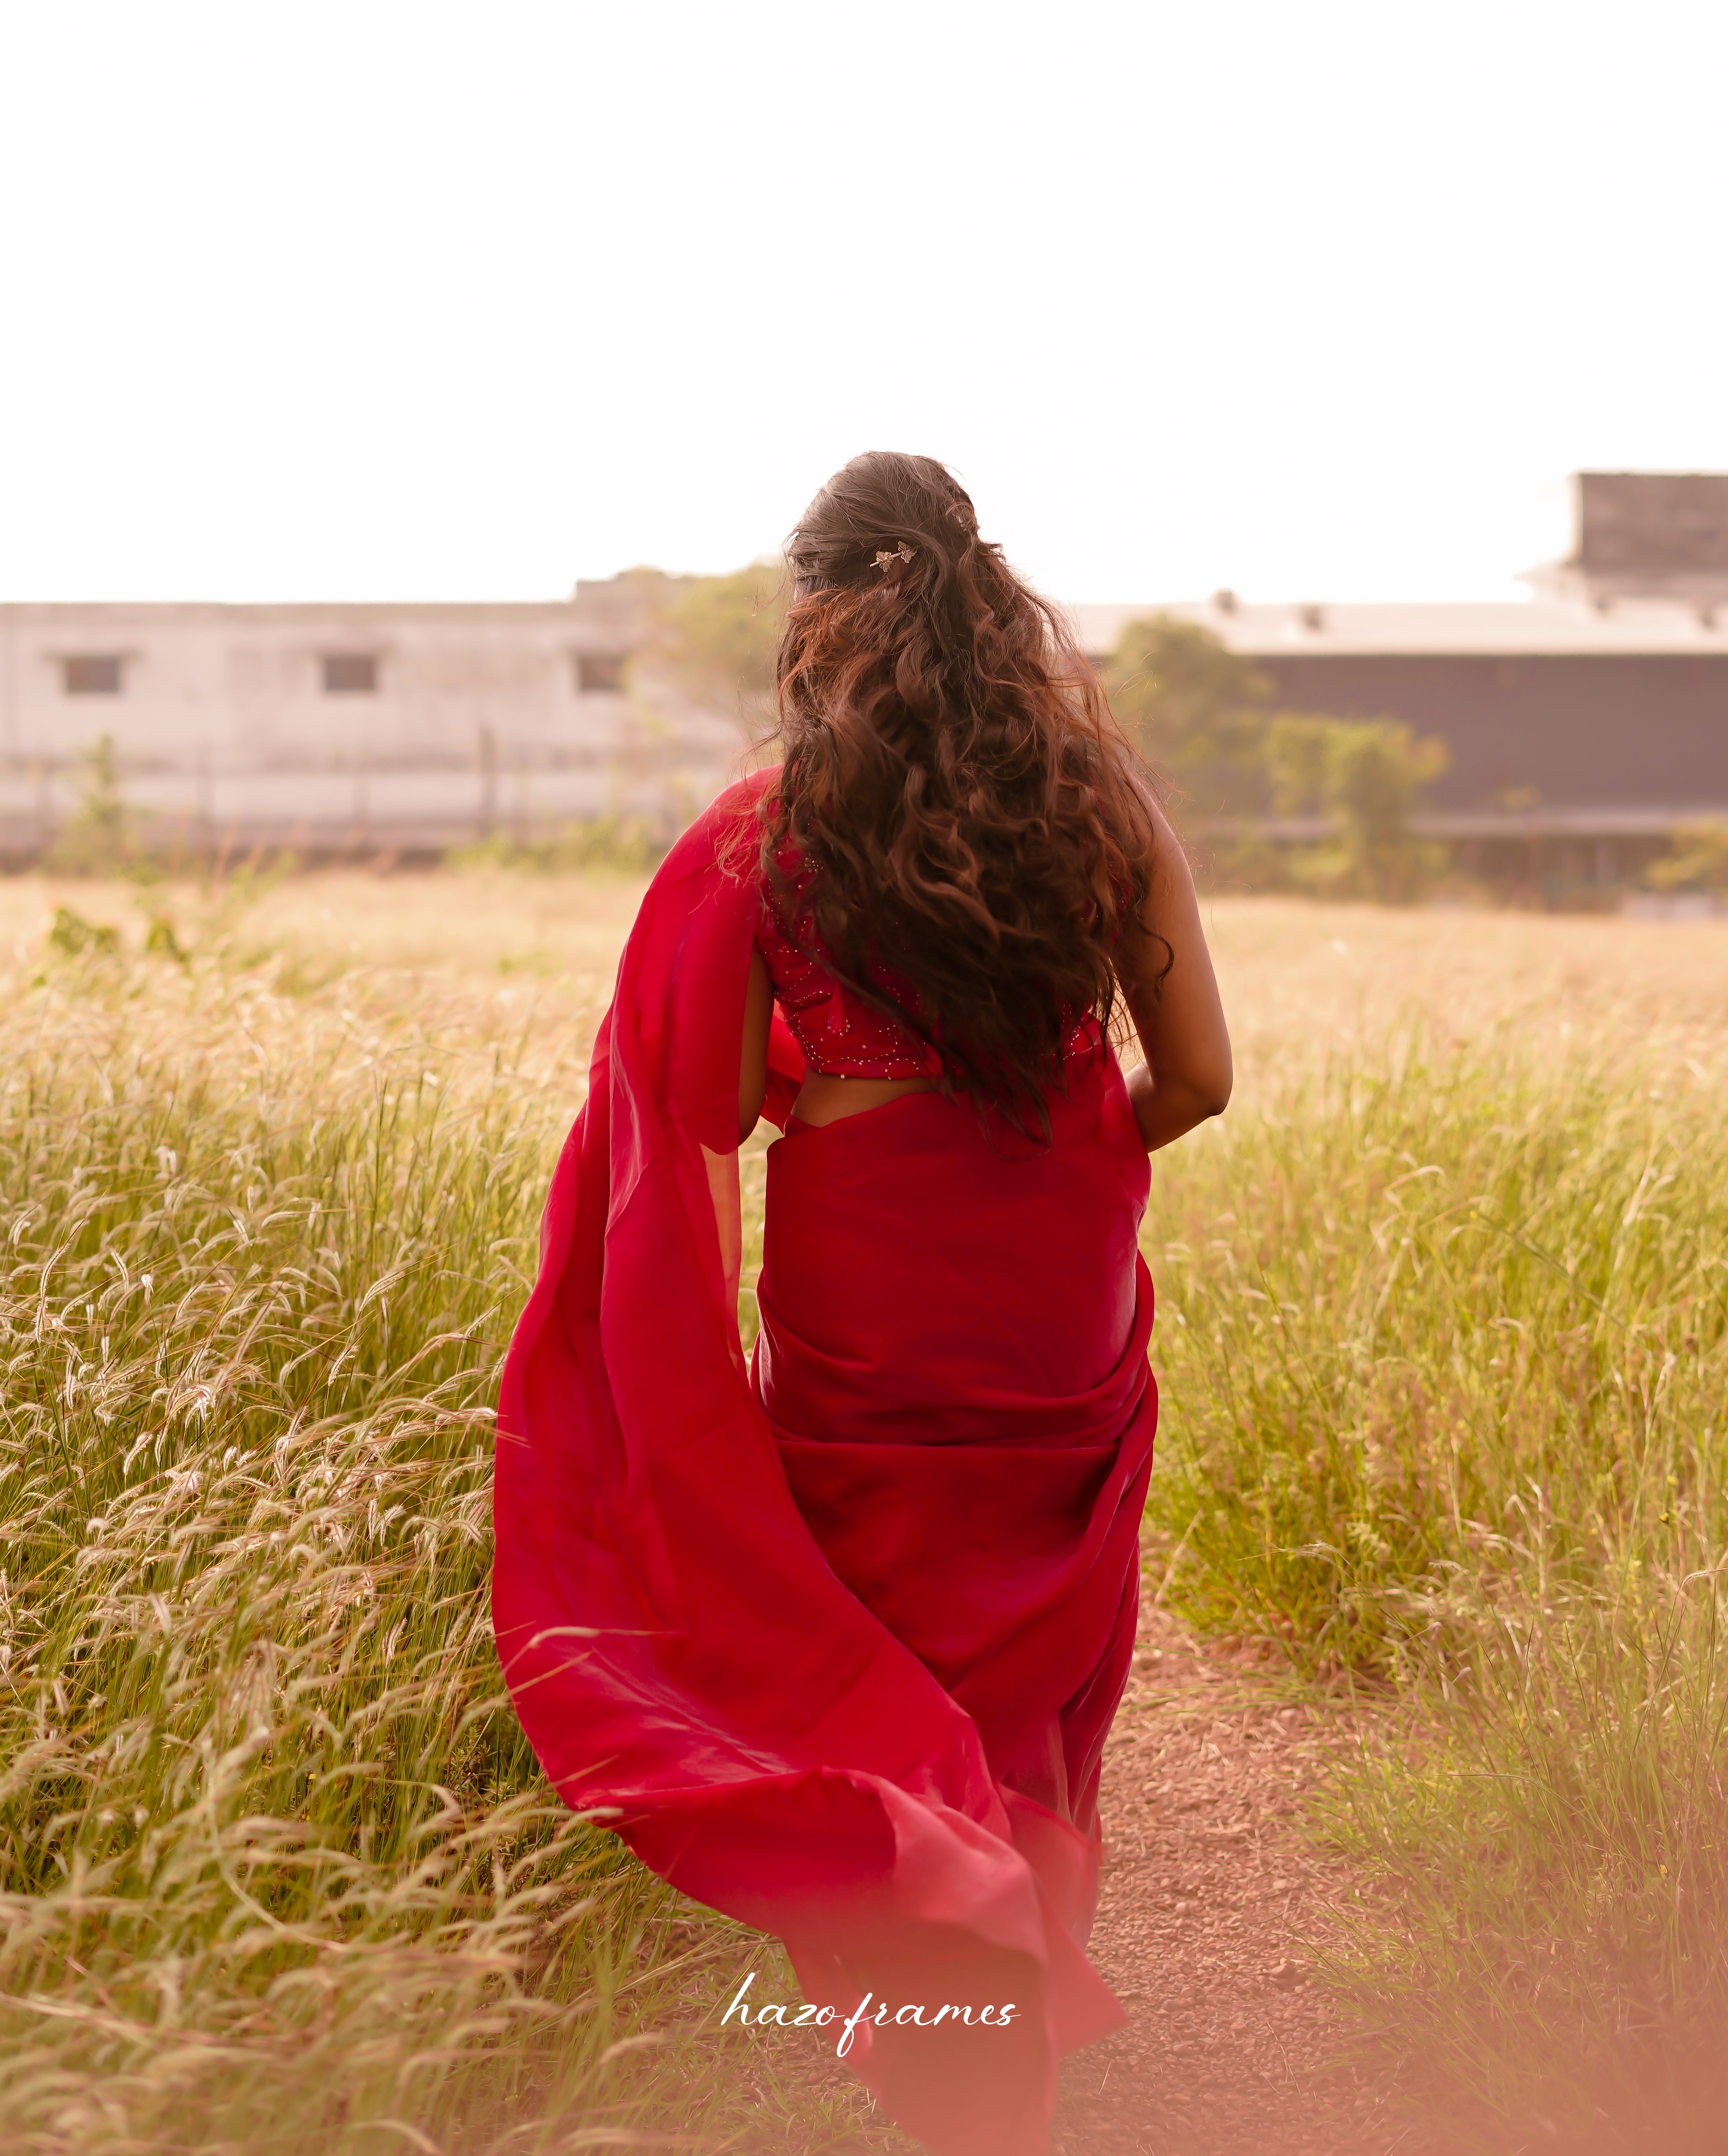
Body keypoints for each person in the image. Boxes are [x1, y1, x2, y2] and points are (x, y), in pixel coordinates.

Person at [493, 453, 1232, 2156]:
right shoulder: (1098, 802)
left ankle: (952, 2007)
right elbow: (1193, 1077)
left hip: (862, 1272)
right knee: (1033, 1647)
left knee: (883, 1635)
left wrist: (809, 1072)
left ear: (813, 607)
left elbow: (688, 1106)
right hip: (1059, 1260)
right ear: (983, 583)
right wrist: (1068, 1141)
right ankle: (1016, 1978)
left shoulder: (765, 830)